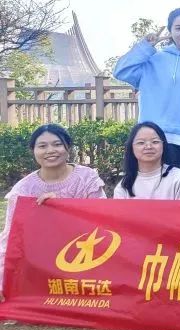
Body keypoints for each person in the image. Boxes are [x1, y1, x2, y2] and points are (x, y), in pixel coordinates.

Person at [2, 124, 106, 292]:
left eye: (57, 144)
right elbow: (11, 237)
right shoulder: (23, 190)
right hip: (41, 266)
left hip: (86, 258)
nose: (50, 150)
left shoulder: (87, 178)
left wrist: (62, 208)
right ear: (33, 151)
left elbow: (102, 221)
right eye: (42, 146)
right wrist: (2, 280)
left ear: (68, 147)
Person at [113, 7, 180, 180]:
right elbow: (120, 71)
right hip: (158, 138)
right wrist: (145, 46)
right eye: (178, 28)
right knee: (160, 189)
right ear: (170, 31)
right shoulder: (154, 59)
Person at [113, 121, 180, 200]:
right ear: (131, 148)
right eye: (141, 143)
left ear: (163, 145)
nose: (149, 146)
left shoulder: (179, 178)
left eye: (155, 142)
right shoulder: (124, 186)